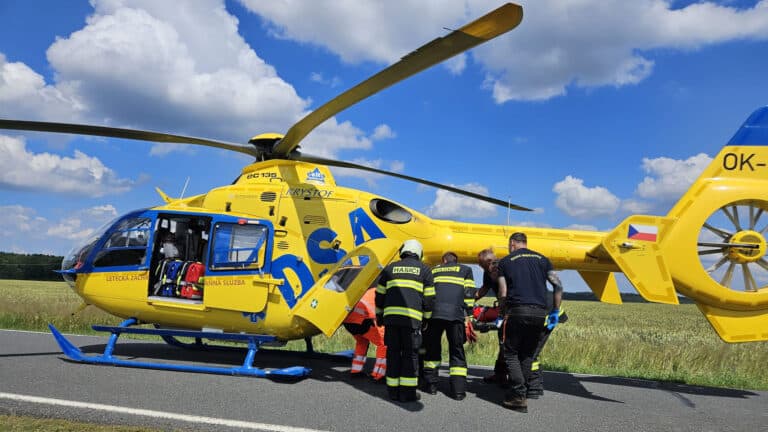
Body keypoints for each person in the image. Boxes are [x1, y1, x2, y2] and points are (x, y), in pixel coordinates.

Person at [496, 232, 563, 413]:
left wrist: (501, 314)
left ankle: (518, 396)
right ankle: (521, 393)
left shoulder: (505, 261)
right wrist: (555, 310)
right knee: (527, 355)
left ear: (512, 244)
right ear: (525, 243)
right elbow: (558, 285)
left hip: (517, 312)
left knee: (510, 354)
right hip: (540, 313)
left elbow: (503, 292)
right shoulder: (543, 259)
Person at [375, 239, 435, 403]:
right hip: (412, 322)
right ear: (419, 253)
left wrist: (379, 316)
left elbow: (379, 295)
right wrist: (426, 319)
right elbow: (429, 299)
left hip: (391, 321)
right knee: (410, 356)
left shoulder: (389, 268)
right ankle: (407, 394)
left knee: (393, 354)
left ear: (403, 251)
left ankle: (392, 392)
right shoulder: (424, 270)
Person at [422, 252, 475, 400]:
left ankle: (431, 386)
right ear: (456, 261)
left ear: (443, 260)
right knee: (456, 350)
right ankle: (458, 391)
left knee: (432, 349)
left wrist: (425, 316)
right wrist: (469, 315)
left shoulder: (433, 270)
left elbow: (427, 293)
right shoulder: (465, 270)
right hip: (455, 315)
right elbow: (469, 293)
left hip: (434, 314)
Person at [474, 248, 507, 385]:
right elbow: (484, 289)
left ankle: (516, 379)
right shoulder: (488, 273)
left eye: (483, 266)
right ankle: (500, 374)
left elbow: (503, 291)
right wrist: (469, 300)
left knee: (506, 344)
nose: (485, 270)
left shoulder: (503, 267)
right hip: (504, 309)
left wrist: (503, 312)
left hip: (510, 310)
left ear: (487, 262)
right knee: (503, 343)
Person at [342, 287, 387, 381]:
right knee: (383, 343)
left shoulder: (370, 291)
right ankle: (379, 375)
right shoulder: (384, 293)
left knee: (362, 342)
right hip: (364, 321)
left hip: (348, 322)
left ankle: (356, 371)